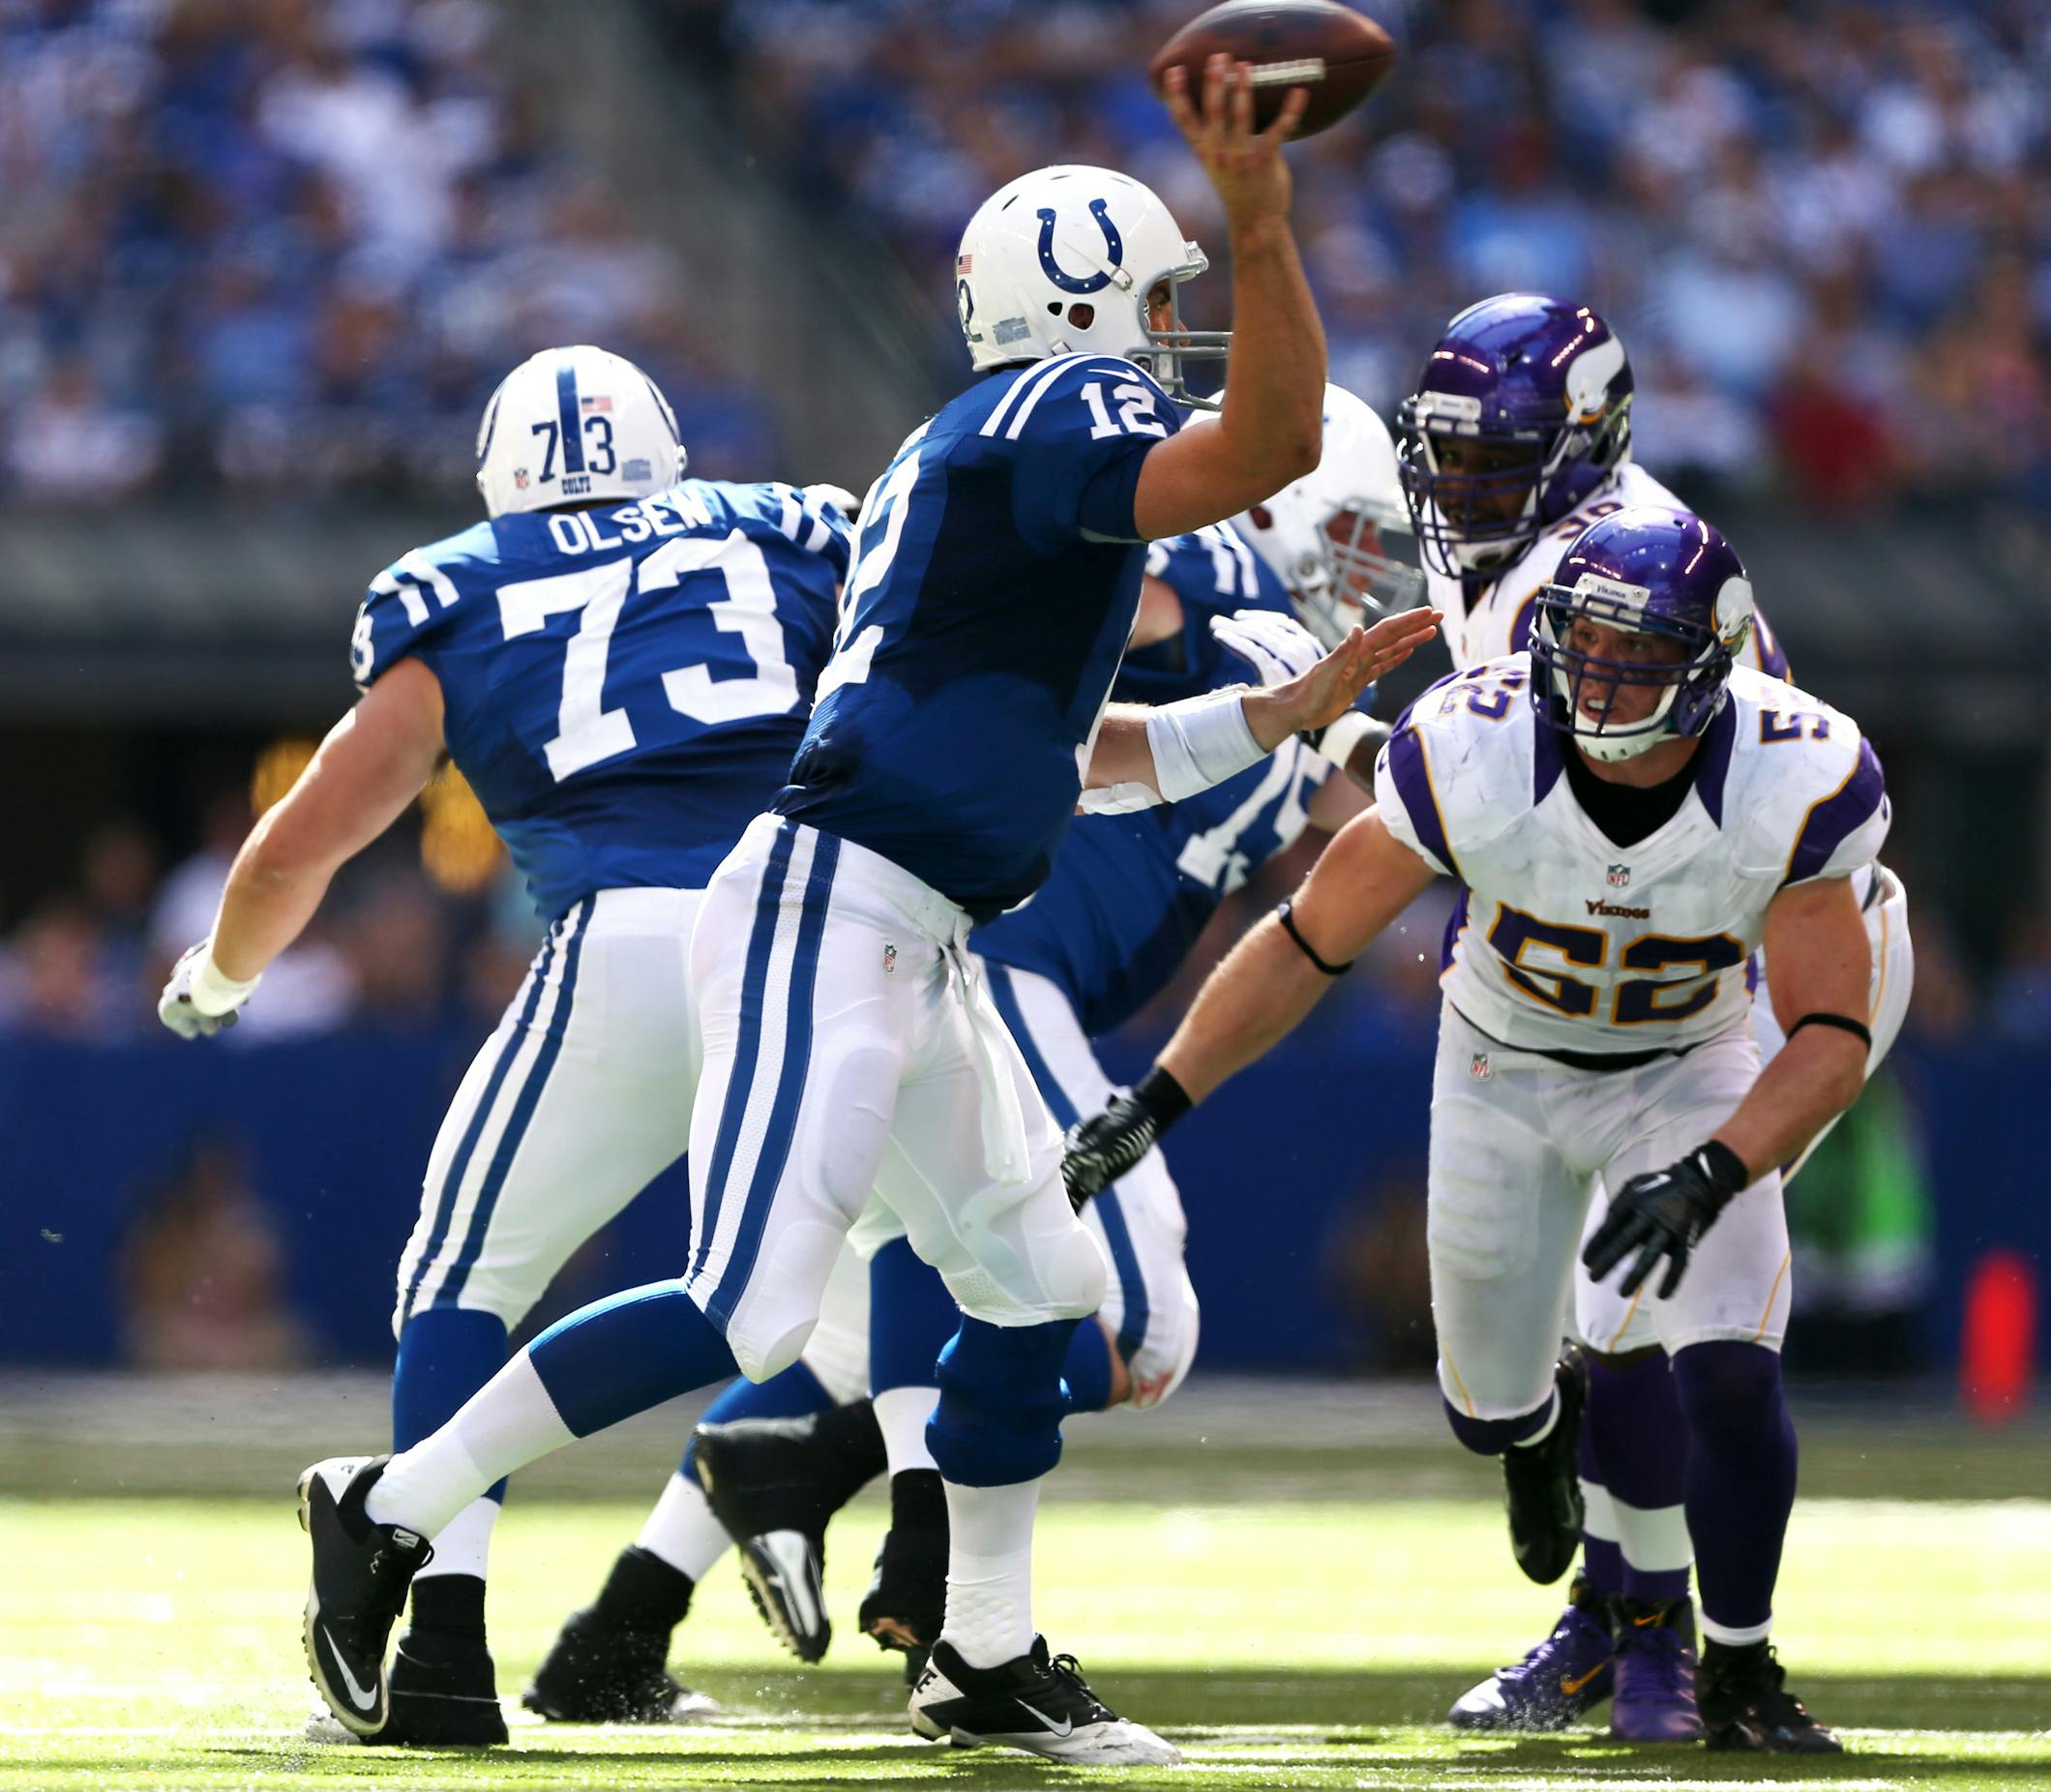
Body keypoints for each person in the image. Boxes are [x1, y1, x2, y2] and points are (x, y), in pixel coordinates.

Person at [286, 59, 1442, 1767]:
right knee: (750, 1308)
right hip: (828, 912)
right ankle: (390, 1506)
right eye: (1162, 297)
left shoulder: (997, 456)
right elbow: (1268, 440)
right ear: (1080, 302)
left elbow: (1074, 750)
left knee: (1039, 1274)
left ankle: (982, 1652)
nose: (1175, 330)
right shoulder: (1048, 422)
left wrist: (1276, 713)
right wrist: (1264, 223)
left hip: (925, 930)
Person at [527, 392, 1407, 1706]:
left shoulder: (1272, 628)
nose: (1362, 564)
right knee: (1132, 1316)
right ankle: (929, 1569)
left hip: (967, 959)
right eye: (1345, 529)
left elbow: (1388, 790)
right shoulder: (1212, 565)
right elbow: (1125, 583)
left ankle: (621, 1627)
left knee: (861, 1324)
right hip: (979, 958)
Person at [1065, 505, 1896, 1755]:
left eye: (1639, 653)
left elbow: (1831, 1027)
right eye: (1584, 643)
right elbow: (1310, 939)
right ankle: (1536, 1430)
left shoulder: (1800, 774)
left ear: (1717, 662)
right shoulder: (1475, 741)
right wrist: (1155, 1097)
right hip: (1499, 1069)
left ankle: (1738, 1670)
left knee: (1725, 1361)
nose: (1600, 677)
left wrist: (1715, 1170)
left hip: (1689, 1065)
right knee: (1488, 1406)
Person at [158, 343, 853, 1744]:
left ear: (501, 477)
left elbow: (316, 833)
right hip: (825, 942)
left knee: (467, 1278)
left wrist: (217, 974)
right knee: (923, 1275)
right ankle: (968, 1623)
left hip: (634, 942)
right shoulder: (789, 526)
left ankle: (446, 1656)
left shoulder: (463, 581)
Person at [1390, 293, 1912, 1742]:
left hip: (1750, 951)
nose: (1467, 495)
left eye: (1499, 464)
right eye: (1452, 461)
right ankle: (1621, 1621)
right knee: (1609, 1322)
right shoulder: (1544, 567)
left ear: (1586, 447)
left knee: (1648, 1318)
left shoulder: (1598, 577)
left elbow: (1710, 826)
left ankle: (1653, 1640)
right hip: (1650, 944)